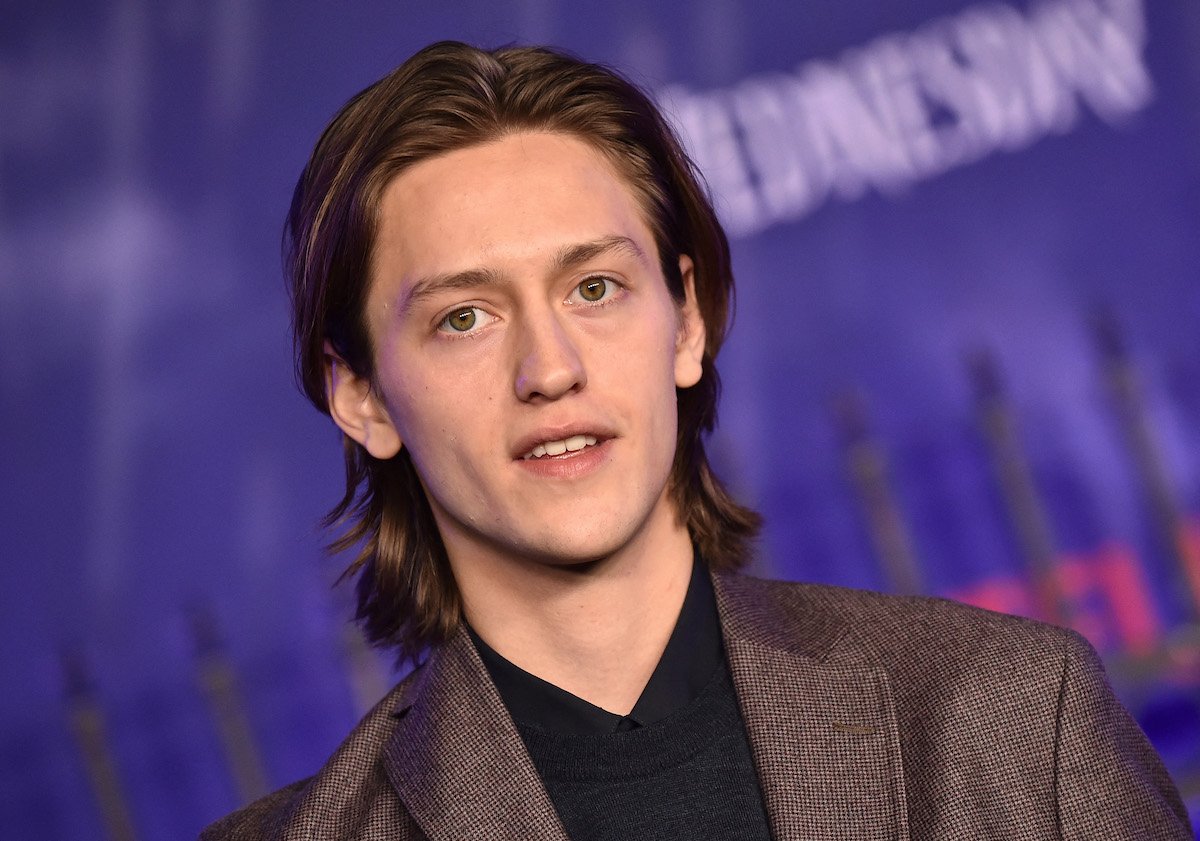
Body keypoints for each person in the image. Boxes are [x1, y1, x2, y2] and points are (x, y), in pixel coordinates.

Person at [201, 41, 1191, 840]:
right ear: (361, 394)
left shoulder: (1014, 714)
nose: (549, 367)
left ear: (685, 321)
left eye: (595, 288)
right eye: (465, 316)